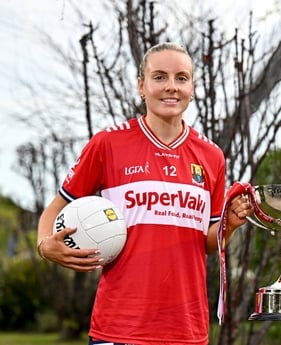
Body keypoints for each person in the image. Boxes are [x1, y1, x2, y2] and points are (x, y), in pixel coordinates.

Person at [36, 42, 252, 345]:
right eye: (159, 77)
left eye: (181, 78)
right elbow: (58, 206)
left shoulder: (212, 156)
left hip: (186, 330)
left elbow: (205, 242)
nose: (171, 87)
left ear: (191, 87)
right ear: (141, 85)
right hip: (119, 327)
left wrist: (228, 223)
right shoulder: (108, 144)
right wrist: (45, 245)